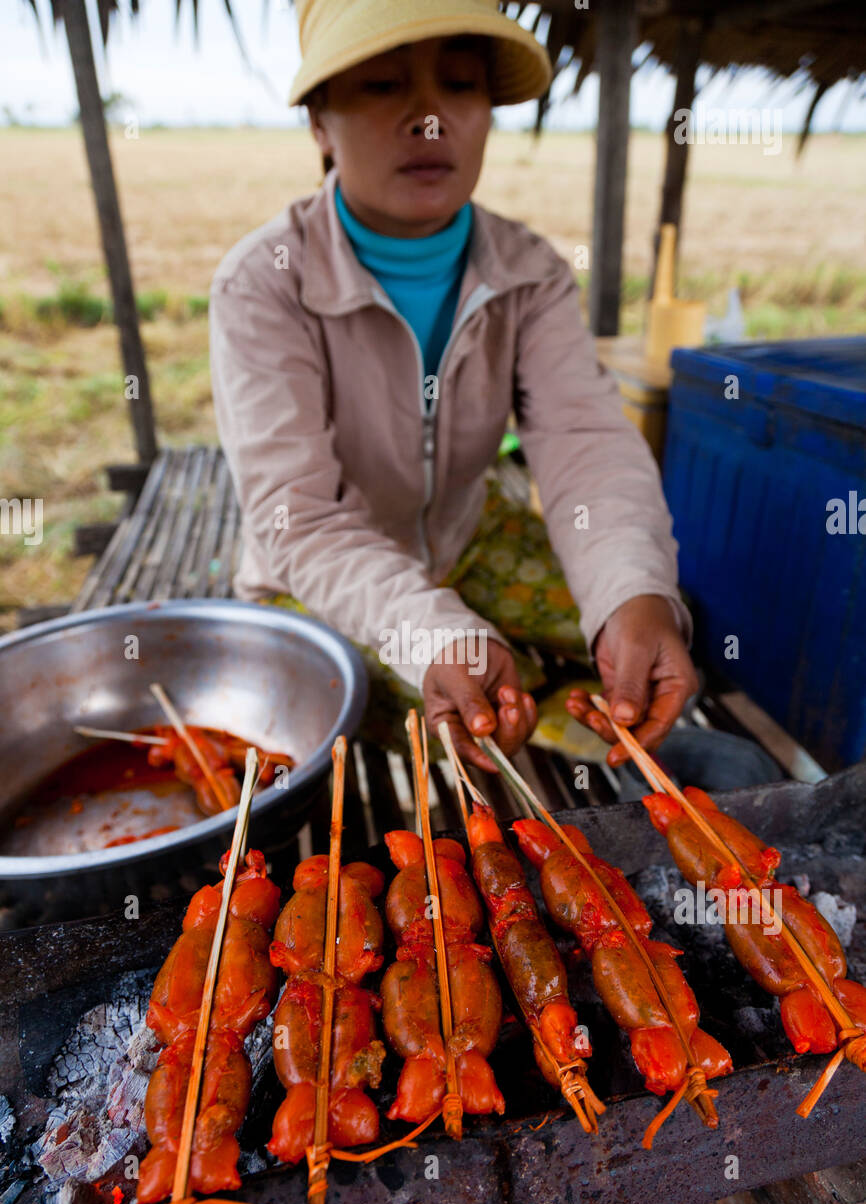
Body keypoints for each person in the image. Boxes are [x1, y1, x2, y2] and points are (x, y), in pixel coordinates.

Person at [209, 0, 697, 773]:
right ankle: (555, 719)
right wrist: (434, 632)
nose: (431, 119)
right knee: (461, 704)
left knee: (649, 619)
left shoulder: (528, 272)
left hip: (471, 534)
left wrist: (631, 595)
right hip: (321, 583)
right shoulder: (264, 284)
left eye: (462, 84)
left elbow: (586, 447)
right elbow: (297, 519)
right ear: (318, 124)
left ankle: (568, 692)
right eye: (380, 85)